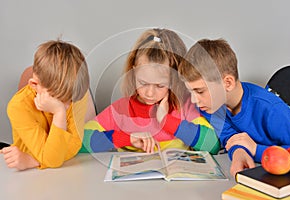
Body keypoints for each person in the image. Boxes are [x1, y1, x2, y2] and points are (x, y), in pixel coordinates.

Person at [80, 28, 220, 154]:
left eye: (160, 86)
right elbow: (79, 142)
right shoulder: (121, 109)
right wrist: (127, 138)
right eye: (143, 83)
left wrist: (167, 121)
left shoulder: (185, 106)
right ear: (133, 71)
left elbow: (212, 145)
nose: (149, 93)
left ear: (175, 79)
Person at [177, 38, 290, 176]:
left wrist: (256, 150)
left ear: (228, 83)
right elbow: (229, 137)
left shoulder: (271, 109)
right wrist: (238, 151)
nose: (194, 100)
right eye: (191, 92)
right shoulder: (211, 106)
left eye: (200, 91)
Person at [2, 40, 90, 170]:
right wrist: (59, 113)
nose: (67, 105)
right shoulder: (18, 107)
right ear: (34, 85)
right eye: (59, 99)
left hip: (56, 172)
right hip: (30, 178)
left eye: (70, 100)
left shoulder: (74, 96)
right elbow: (53, 160)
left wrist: (33, 160)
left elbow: (74, 146)